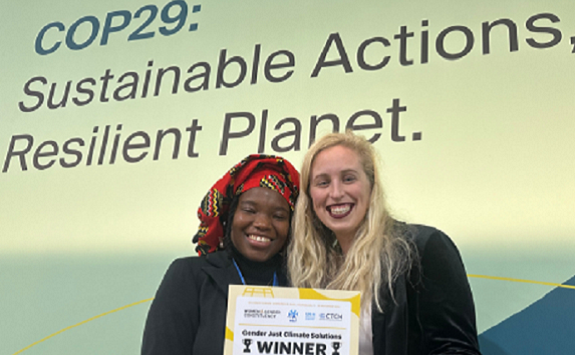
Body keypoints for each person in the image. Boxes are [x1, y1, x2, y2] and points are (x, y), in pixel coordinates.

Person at [287, 132, 481, 355]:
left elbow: (457, 350)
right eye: (323, 182)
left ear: (371, 185)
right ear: (310, 197)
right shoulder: (314, 272)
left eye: (349, 178)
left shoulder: (423, 249)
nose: (336, 193)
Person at [142, 154, 300, 355]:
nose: (262, 224)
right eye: (250, 210)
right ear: (231, 216)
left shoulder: (303, 283)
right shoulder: (190, 277)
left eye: (278, 216)